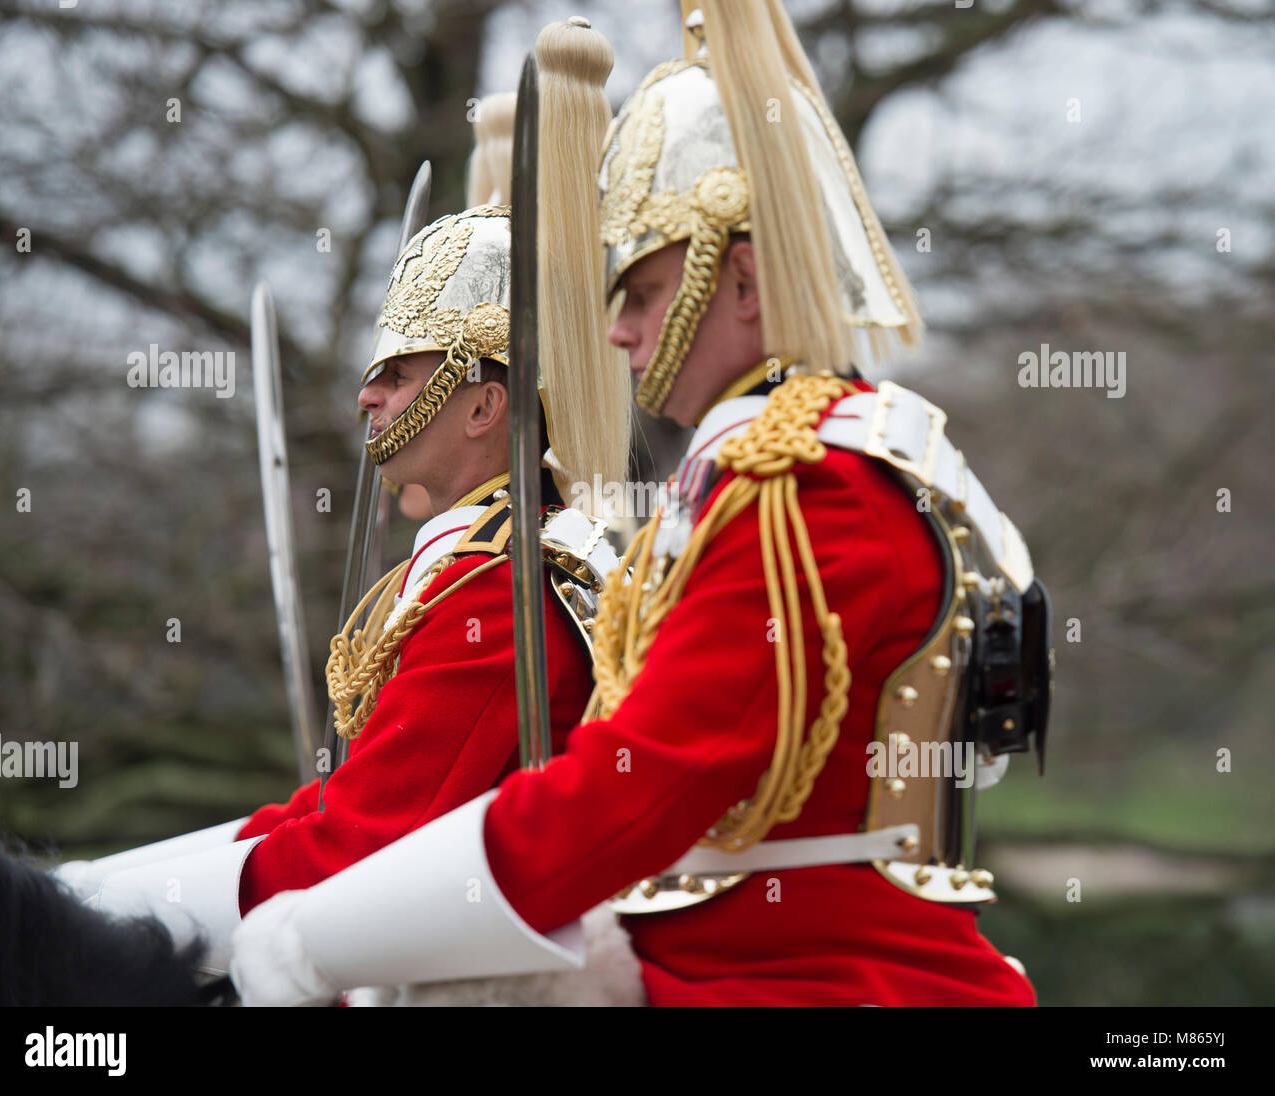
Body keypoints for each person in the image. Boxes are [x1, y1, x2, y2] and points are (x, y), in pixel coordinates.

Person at [231, 0, 1051, 1007]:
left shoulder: (801, 486)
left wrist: (324, 938)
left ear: (742, 278)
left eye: (644, 293)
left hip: (812, 983)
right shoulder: (815, 460)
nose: (616, 333)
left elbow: (642, 783)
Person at [54, 22, 631, 980]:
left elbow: (359, 846)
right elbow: (321, 810)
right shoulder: (465, 566)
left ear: (487, 403)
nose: (368, 394)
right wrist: (102, 891)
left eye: (400, 373)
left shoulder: (503, 587)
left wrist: (119, 930)